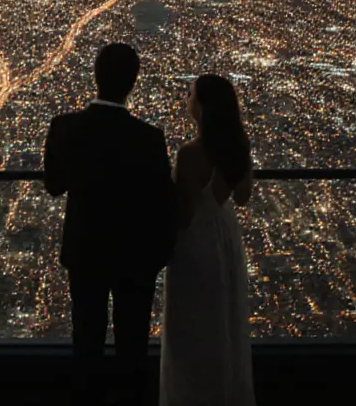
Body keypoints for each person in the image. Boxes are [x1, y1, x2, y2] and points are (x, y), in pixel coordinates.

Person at [45, 42, 177, 406]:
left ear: (95, 77)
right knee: (133, 343)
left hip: (85, 250)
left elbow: (54, 186)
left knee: (86, 337)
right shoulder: (149, 138)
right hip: (136, 255)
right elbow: (164, 199)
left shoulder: (64, 128)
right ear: (133, 83)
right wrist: (160, 254)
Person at [160, 74, 256, 406]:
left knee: (191, 325)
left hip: (195, 244)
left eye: (190, 95)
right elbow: (243, 197)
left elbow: (184, 216)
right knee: (223, 320)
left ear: (203, 106)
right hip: (225, 235)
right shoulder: (239, 145)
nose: (187, 100)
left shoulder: (189, 154)